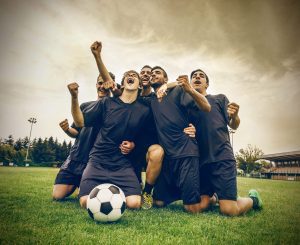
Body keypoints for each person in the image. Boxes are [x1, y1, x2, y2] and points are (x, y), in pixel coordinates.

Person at [70, 41, 151, 209]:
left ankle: (119, 190)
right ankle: (98, 187)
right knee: (85, 202)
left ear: (140, 84)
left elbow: (148, 136)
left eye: (134, 75)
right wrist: (74, 96)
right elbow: (80, 122)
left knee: (134, 204)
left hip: (123, 163)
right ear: (122, 84)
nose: (131, 76)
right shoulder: (107, 103)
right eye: (128, 75)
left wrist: (135, 144)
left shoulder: (144, 109)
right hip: (98, 160)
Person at [188, 68, 263, 215]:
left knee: (229, 210)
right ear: (190, 84)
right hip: (201, 161)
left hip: (222, 157)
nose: (197, 77)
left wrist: (235, 116)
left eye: (201, 76)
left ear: (206, 84)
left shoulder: (219, 98)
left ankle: (253, 199)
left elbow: (233, 124)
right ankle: (217, 196)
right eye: (194, 76)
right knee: (200, 207)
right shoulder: (188, 106)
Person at [52, 71, 136, 200]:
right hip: (78, 156)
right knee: (57, 195)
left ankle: (85, 185)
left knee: (95, 194)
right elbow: (77, 131)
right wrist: (67, 129)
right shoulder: (86, 106)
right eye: (100, 83)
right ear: (96, 84)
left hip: (98, 161)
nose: (102, 86)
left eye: (105, 83)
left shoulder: (115, 107)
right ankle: (81, 184)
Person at [141, 66, 211, 213]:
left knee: (191, 208)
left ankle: (213, 197)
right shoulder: (150, 100)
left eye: (158, 73)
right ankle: (148, 193)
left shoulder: (178, 91)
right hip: (168, 157)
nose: (153, 75)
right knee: (158, 203)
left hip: (186, 152)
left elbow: (206, 107)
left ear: (165, 79)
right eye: (152, 73)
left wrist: (173, 86)